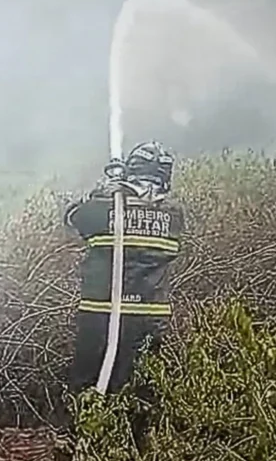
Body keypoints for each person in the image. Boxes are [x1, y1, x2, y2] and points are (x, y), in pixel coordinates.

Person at [64, 140, 185, 399]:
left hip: (102, 313)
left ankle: (84, 423)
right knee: (140, 389)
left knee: (88, 385)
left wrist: (106, 189)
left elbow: (72, 216)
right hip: (150, 317)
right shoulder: (174, 215)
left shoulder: (104, 207)